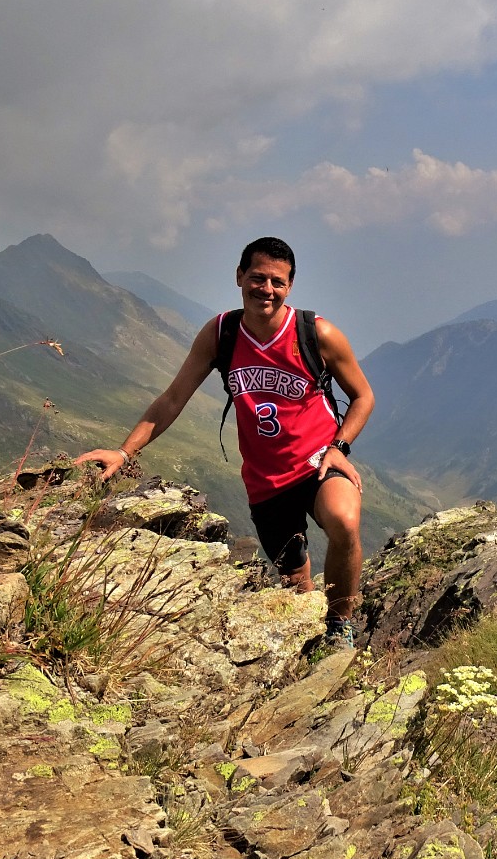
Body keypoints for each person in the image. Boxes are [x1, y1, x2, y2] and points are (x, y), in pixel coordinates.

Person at [75, 237, 374, 649]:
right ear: (239, 276)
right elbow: (173, 397)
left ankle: (341, 626)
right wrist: (125, 452)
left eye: (277, 281)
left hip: (318, 461)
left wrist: (339, 447)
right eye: (257, 277)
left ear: (290, 286)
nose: (266, 289)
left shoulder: (316, 333)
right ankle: (312, 644)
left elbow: (363, 396)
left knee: (344, 521)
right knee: (297, 589)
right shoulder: (222, 334)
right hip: (266, 482)